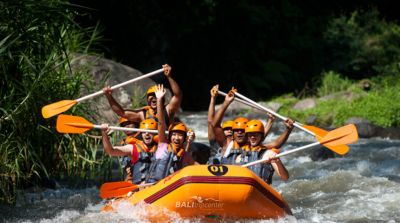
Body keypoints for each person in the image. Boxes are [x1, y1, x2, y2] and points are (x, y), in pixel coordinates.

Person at [103, 64, 182, 127]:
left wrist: (169, 76)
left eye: (156, 94)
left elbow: (177, 95)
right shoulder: (142, 114)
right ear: (148, 101)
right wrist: (109, 96)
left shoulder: (168, 109)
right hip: (149, 145)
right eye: (151, 95)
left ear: (163, 99)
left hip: (164, 145)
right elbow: (121, 113)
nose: (154, 97)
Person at [145, 85, 195, 183]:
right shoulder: (163, 144)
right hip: (153, 185)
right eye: (174, 134)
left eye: (180, 135)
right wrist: (159, 100)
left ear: (184, 138)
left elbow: (196, 166)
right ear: (169, 136)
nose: (177, 138)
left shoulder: (184, 154)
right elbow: (161, 123)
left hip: (170, 188)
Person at [101, 118, 159, 184]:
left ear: (156, 133)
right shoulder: (133, 147)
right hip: (139, 186)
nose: (147, 134)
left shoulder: (163, 147)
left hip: (157, 185)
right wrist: (104, 134)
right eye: (144, 132)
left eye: (150, 131)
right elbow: (110, 151)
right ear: (141, 133)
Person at [240, 119, 294, 184]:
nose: (253, 137)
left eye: (256, 134)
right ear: (247, 137)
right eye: (250, 134)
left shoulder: (268, 153)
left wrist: (278, 162)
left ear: (261, 136)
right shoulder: (241, 153)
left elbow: (285, 177)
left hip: (261, 190)